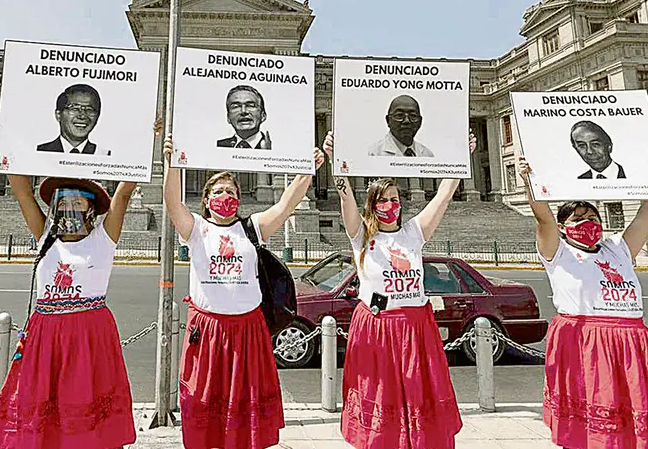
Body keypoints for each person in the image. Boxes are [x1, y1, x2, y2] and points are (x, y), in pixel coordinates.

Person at [518, 156, 648, 449]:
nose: (588, 223)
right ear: (562, 226)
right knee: (597, 420)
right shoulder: (557, 252)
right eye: (578, 219)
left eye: (593, 217)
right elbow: (542, 218)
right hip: (587, 340)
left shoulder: (618, 248)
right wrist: (530, 183)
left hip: (634, 341)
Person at [0, 108, 138, 449]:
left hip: (89, 333)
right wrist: (4, 137)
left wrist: (148, 141)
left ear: (91, 209)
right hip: (46, 333)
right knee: (42, 406)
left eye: (76, 202)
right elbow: (22, 190)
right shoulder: (45, 235)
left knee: (86, 402)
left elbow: (124, 194)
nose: (68, 209)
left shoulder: (103, 237)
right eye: (62, 202)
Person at [163, 133, 324, 449]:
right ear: (207, 200)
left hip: (247, 330)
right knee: (205, 399)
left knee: (245, 405)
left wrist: (308, 170)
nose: (226, 196)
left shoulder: (252, 227)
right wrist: (173, 163)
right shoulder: (196, 229)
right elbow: (172, 202)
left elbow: (286, 204)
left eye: (232, 191)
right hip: (208, 330)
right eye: (219, 191)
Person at [325, 130, 471, 449]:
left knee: (418, 398)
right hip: (377, 329)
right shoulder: (362, 236)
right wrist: (338, 164)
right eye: (382, 200)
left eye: (394, 199)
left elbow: (443, 197)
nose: (389, 204)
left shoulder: (413, 233)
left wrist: (462, 158)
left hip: (415, 329)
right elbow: (345, 198)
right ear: (372, 205)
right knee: (381, 400)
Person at [36, 84, 110, 155]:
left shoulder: (105, 155)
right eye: (74, 109)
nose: (82, 116)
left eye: (89, 110)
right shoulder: (40, 151)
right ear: (58, 115)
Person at [367, 95, 434, 157]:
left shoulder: (427, 154)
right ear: (388, 120)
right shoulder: (373, 153)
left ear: (420, 122)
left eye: (413, 116)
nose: (407, 121)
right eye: (399, 115)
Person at [216, 85, 272, 149]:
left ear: (263, 115)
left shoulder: (278, 148)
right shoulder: (218, 146)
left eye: (250, 105)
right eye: (236, 106)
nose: (243, 111)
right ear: (228, 117)